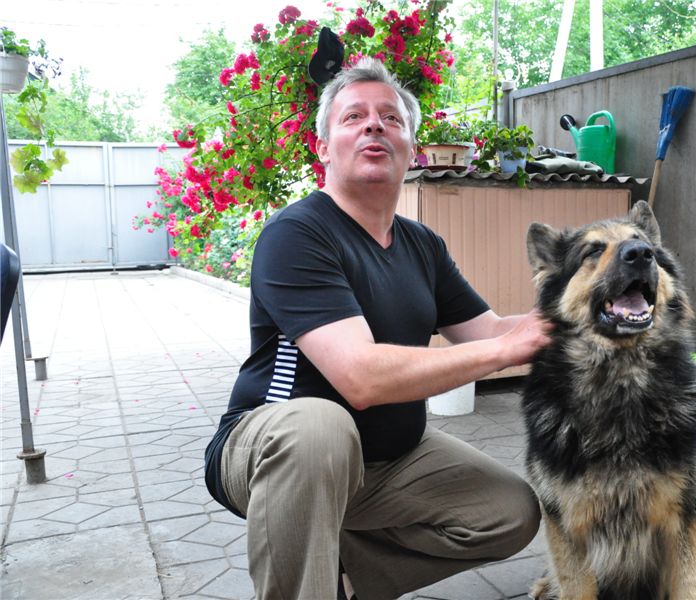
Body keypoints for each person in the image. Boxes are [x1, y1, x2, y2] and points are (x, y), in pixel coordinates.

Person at [204, 56, 553, 600]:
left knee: (508, 511)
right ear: (323, 147)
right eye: (354, 117)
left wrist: (574, 317)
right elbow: (361, 379)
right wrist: (508, 350)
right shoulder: (298, 233)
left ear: (413, 150)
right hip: (272, 449)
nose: (374, 125)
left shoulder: (422, 245)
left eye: (391, 118)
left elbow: (489, 330)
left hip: (386, 461)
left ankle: (339, 576)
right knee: (320, 427)